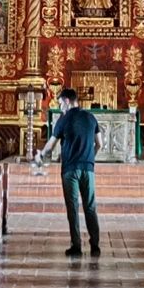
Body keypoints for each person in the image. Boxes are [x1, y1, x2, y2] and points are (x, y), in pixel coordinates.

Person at [39, 86, 101, 258]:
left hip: (70, 169)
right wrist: (90, 158)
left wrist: (41, 156)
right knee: (90, 206)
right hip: (88, 168)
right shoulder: (90, 117)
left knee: (72, 207)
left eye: (60, 104)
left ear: (67, 101)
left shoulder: (63, 119)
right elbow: (100, 144)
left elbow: (51, 145)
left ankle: (76, 245)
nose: (60, 107)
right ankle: (95, 245)